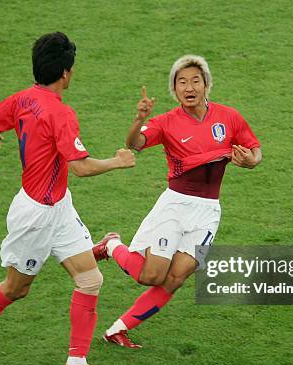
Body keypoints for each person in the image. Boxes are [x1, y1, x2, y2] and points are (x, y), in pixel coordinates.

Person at [0, 32, 135, 365]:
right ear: (66, 73)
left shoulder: (22, 99)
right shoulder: (60, 113)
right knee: (16, 289)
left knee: (91, 279)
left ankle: (76, 363)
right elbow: (80, 166)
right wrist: (118, 161)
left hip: (58, 205)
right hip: (35, 216)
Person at [93, 55, 262, 348]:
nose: (189, 87)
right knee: (151, 276)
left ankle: (116, 330)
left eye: (195, 80)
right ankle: (111, 245)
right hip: (176, 205)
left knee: (177, 277)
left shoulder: (228, 116)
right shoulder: (167, 122)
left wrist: (250, 161)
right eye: (181, 82)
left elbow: (254, 149)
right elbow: (136, 143)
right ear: (174, 89)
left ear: (206, 84)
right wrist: (139, 119)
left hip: (208, 211)